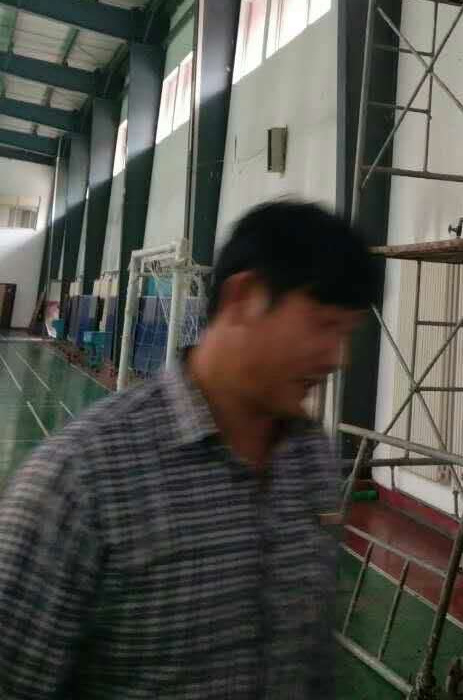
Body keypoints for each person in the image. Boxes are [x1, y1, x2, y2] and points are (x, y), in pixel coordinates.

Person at [0, 199, 376, 699]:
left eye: (347, 334)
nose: (338, 358)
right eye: (322, 326)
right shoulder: (80, 480)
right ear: (244, 298)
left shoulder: (310, 461)